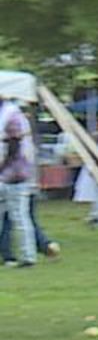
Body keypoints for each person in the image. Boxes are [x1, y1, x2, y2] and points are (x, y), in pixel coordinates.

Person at [1, 95, 39, 268]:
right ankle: (26, 255)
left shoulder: (12, 118)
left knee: (19, 217)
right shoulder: (15, 116)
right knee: (19, 217)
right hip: (15, 173)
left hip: (13, 175)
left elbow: (12, 148)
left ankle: (27, 255)